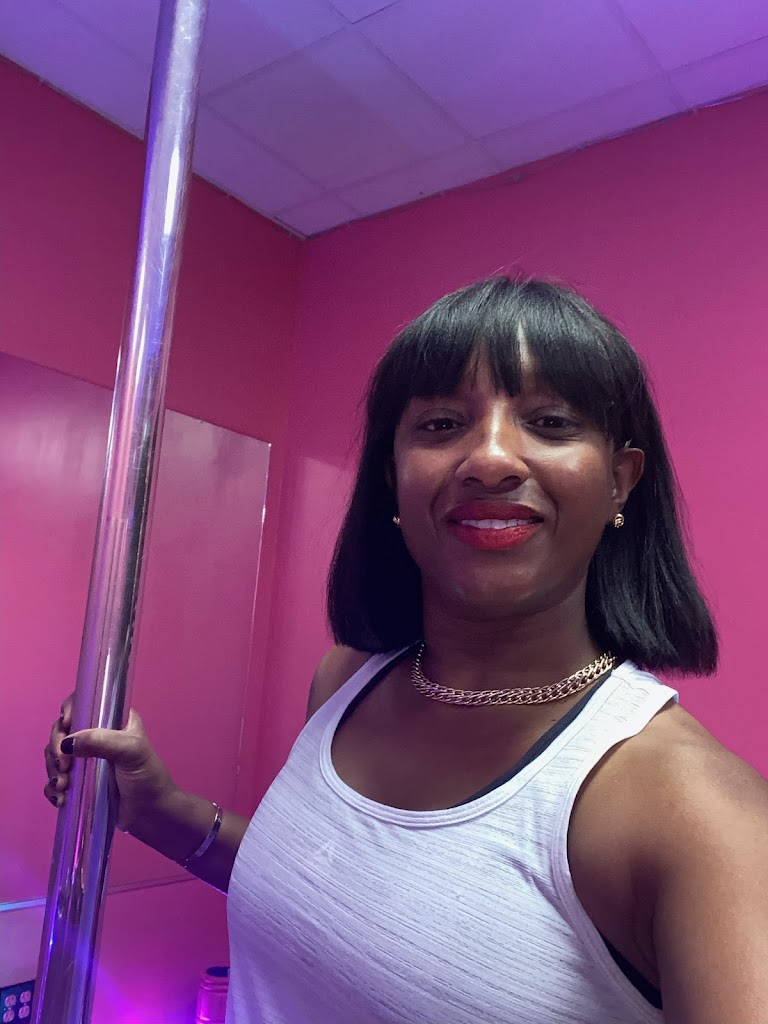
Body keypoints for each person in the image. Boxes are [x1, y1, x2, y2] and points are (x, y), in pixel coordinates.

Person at [44, 276, 768, 1023]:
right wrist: (159, 810)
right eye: (442, 424)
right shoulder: (346, 681)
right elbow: (338, 921)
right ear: (393, 479)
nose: (491, 459)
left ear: (620, 481)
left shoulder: (695, 815)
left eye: (550, 423)